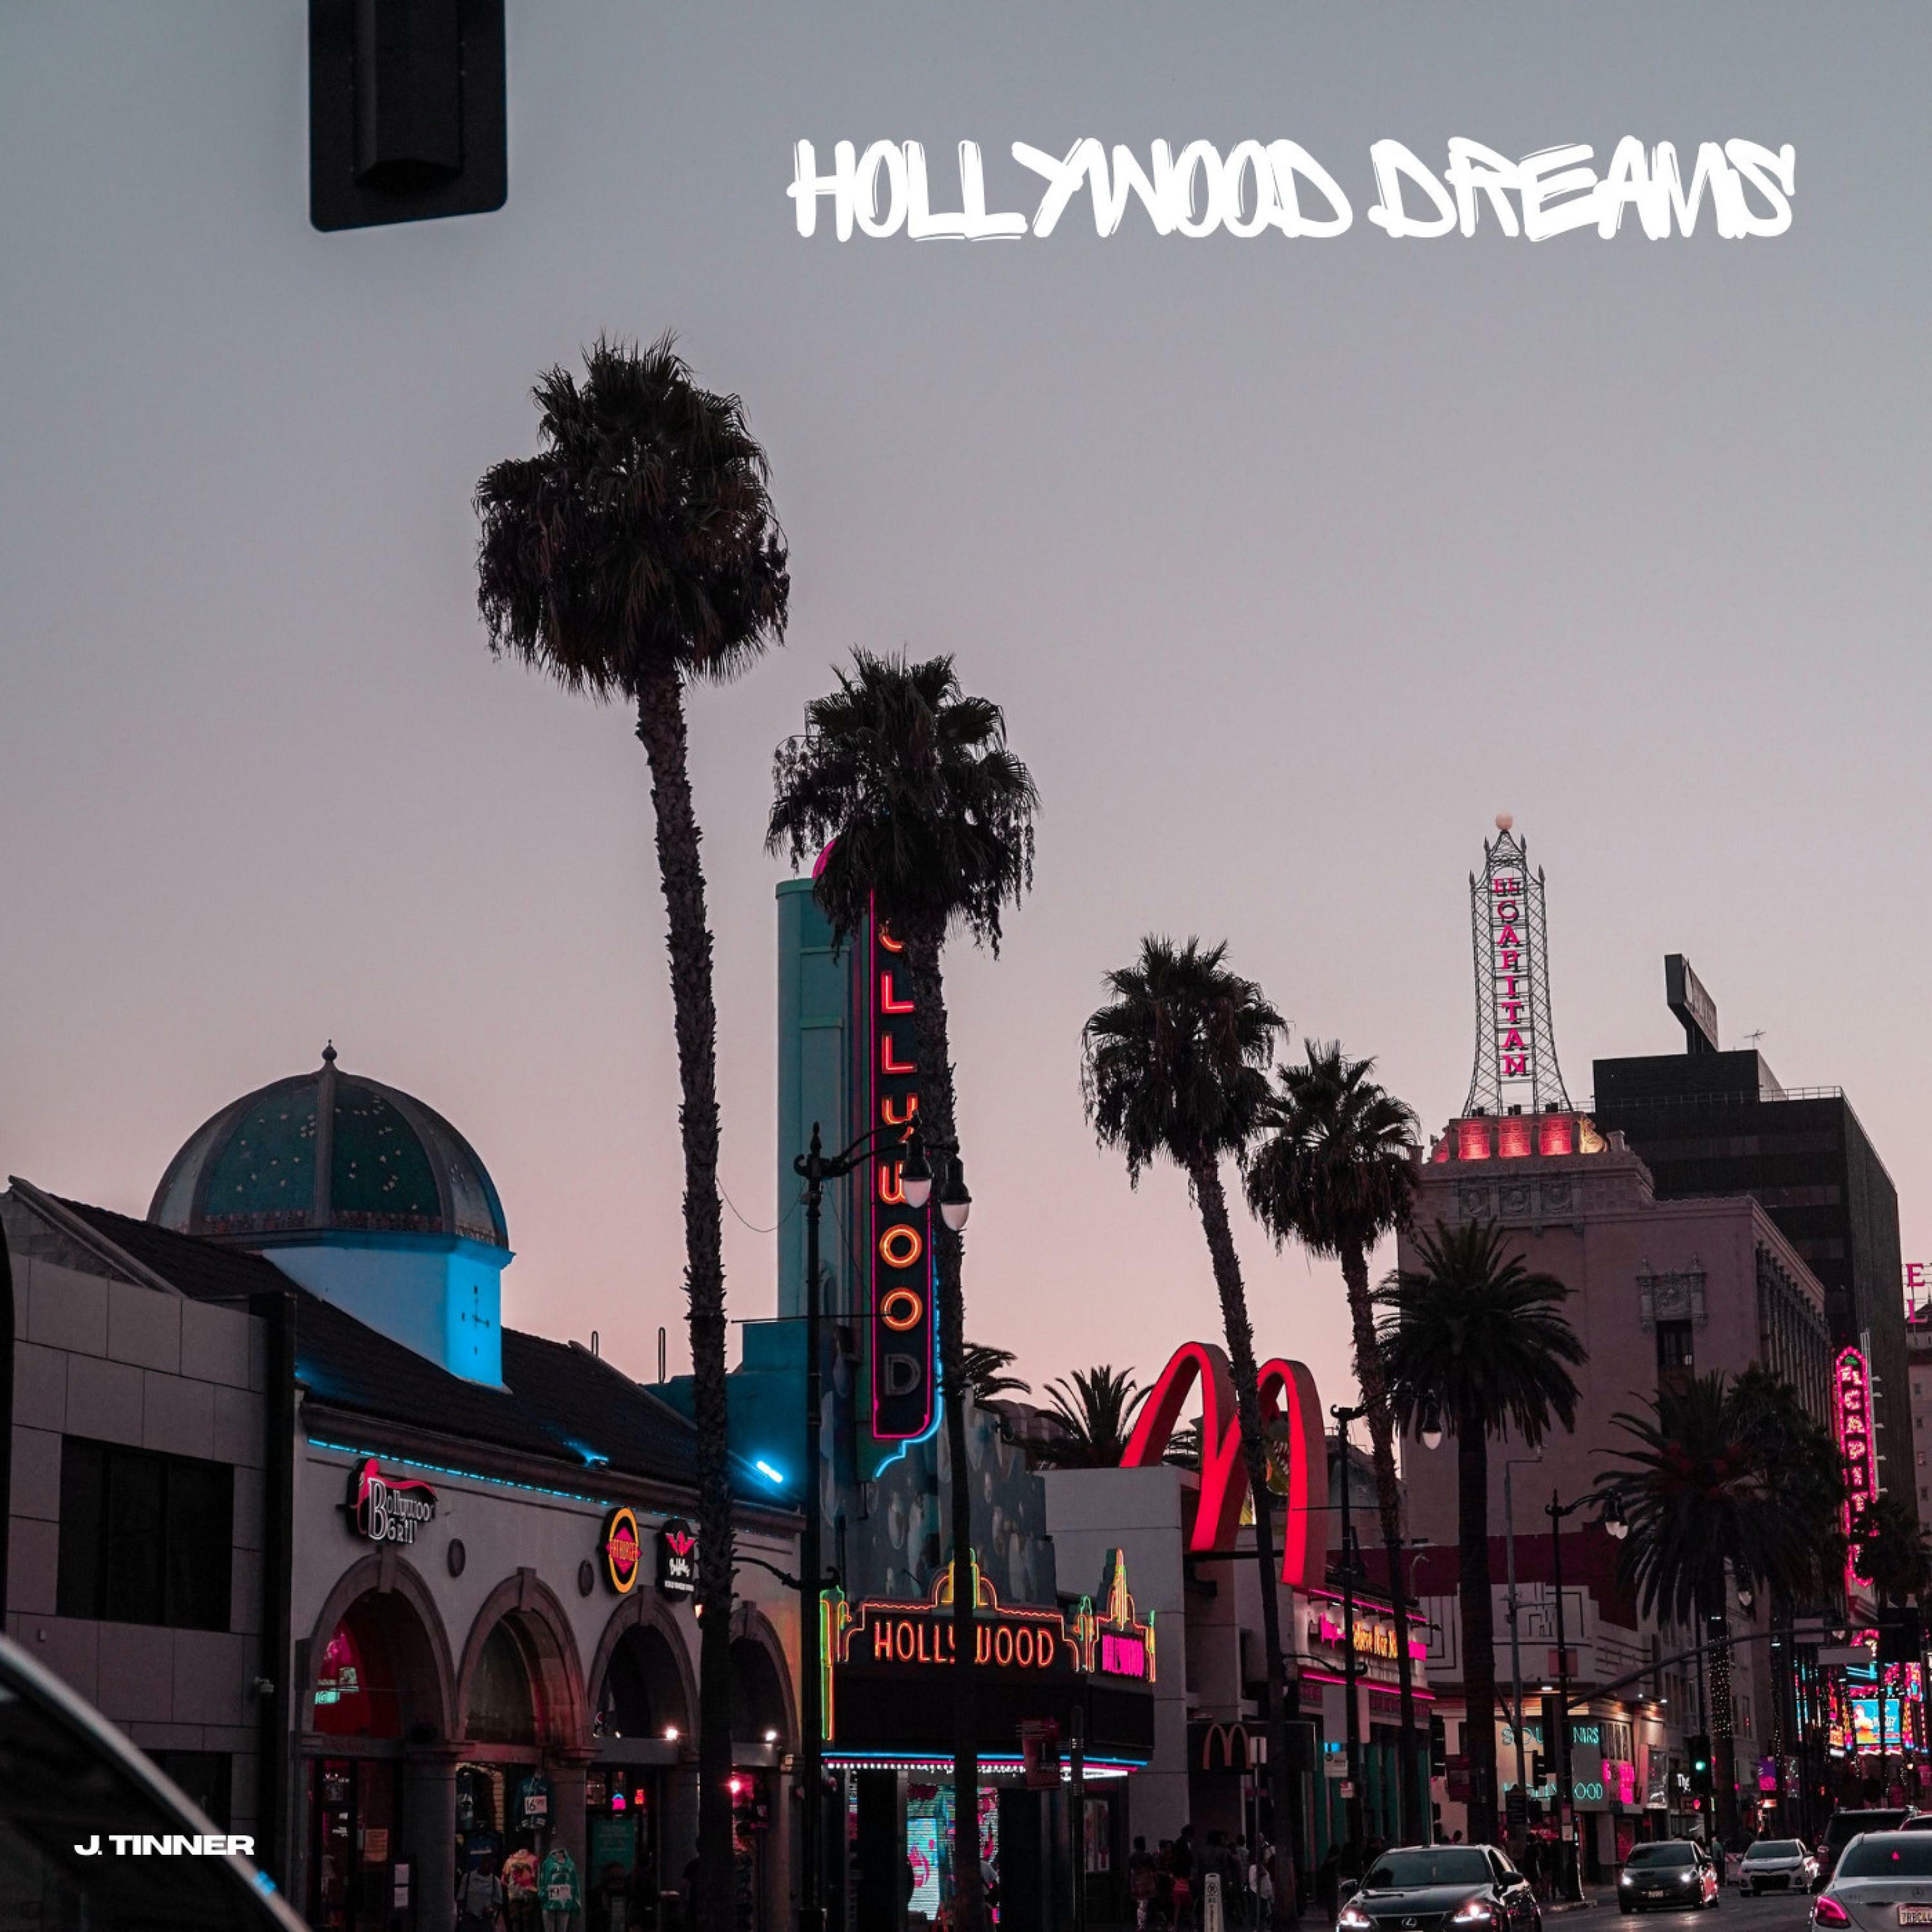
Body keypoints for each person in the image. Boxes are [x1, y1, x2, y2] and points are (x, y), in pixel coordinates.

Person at [539, 1843, 581, 1932]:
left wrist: (576, 1901)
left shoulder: (570, 1865)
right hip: (549, 1903)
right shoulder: (547, 1864)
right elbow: (542, 1881)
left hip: (564, 1903)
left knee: (562, 1929)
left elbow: (575, 1883)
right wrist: (542, 1895)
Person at [457, 1859, 504, 1932]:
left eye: (493, 1867)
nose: (490, 1869)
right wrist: (460, 1915)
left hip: (485, 1920)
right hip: (469, 1919)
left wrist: (491, 1909)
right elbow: (461, 1898)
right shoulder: (468, 1877)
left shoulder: (495, 1881)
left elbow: (498, 1902)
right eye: (489, 1865)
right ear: (483, 1863)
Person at [1131, 1837, 1160, 1931]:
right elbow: (1154, 1868)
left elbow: (1129, 1871)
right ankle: (1141, 1924)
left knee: (1140, 1903)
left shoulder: (1132, 1857)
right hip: (1146, 1880)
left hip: (1136, 1881)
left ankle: (1140, 1924)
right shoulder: (1147, 1856)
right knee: (1144, 1903)